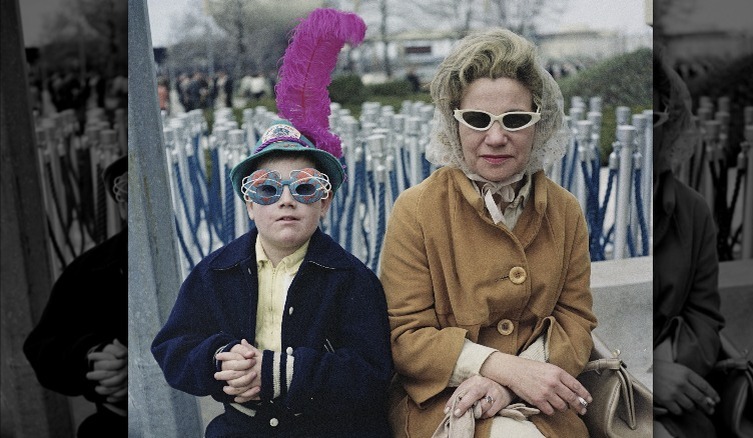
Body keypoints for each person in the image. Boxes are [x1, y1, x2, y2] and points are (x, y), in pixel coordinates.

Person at [379, 28, 597, 437]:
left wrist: (513, 382)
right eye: (478, 120)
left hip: (543, 402)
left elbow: (575, 319)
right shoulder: (417, 210)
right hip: (441, 400)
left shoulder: (565, 211)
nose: (496, 138)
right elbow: (405, 337)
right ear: (453, 122)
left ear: (540, 122)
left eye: (515, 120)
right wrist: (502, 369)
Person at [151, 119, 394, 437]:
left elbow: (373, 374)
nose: (286, 200)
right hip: (243, 426)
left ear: (325, 202)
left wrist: (285, 373)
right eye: (267, 189)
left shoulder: (352, 279)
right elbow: (174, 348)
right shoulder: (214, 273)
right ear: (249, 204)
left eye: (305, 188)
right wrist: (221, 360)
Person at [23, 154, 128, 438]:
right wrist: (92, 358)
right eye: (124, 191)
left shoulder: (199, 260)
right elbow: (42, 346)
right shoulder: (92, 268)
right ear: (120, 206)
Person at [651, 43, 724, 438]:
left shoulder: (692, 211)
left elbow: (705, 314)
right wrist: (644, 373)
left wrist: (672, 362)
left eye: (655, 115)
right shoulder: (578, 203)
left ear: (672, 116)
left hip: (678, 389)